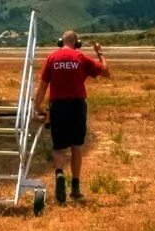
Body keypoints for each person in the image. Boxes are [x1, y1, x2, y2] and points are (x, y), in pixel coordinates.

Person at [32, 29, 108, 205]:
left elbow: (43, 86)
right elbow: (106, 71)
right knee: (76, 147)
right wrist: (100, 53)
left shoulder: (52, 58)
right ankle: (75, 187)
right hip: (76, 106)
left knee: (58, 147)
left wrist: (36, 107)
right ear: (77, 43)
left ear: (61, 42)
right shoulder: (81, 58)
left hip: (57, 107)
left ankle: (59, 173)